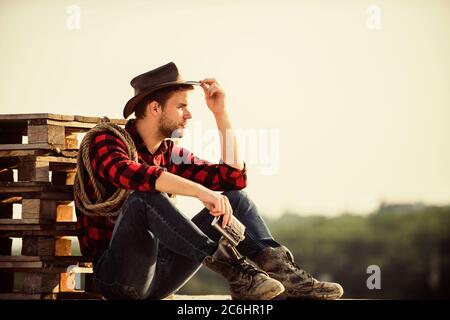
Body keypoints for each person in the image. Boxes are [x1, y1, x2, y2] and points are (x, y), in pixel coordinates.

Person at [75, 62, 344, 300]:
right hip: (119, 278)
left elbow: (233, 177)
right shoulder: (107, 141)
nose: (189, 115)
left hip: (161, 276)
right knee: (144, 197)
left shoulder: (169, 154)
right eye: (181, 107)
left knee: (234, 198)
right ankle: (234, 269)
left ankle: (287, 276)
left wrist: (220, 113)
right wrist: (202, 193)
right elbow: (133, 174)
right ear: (155, 108)